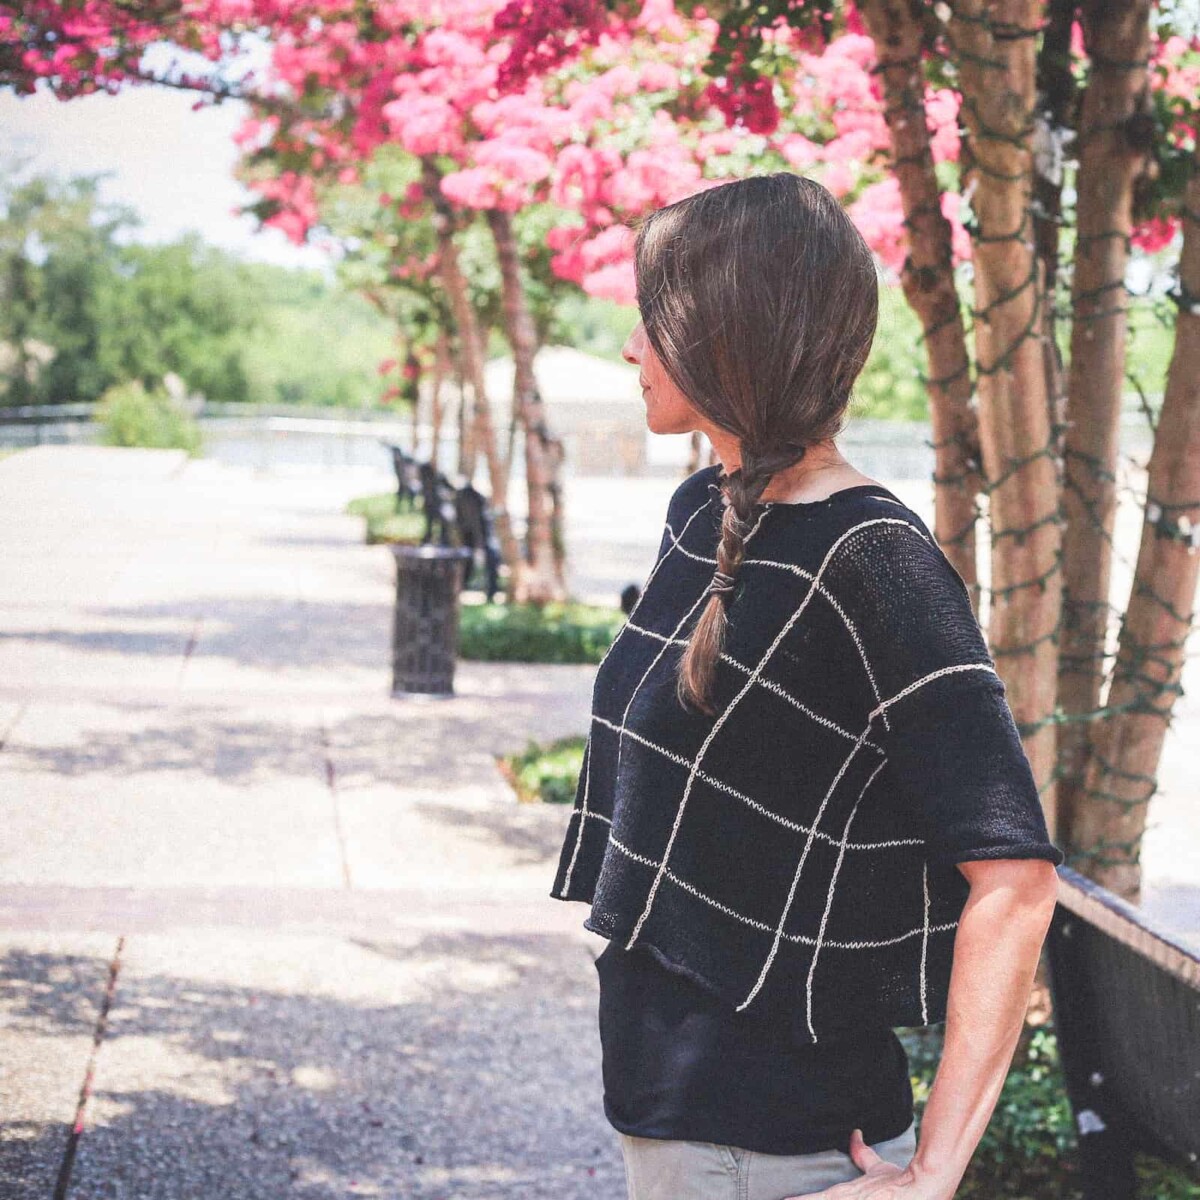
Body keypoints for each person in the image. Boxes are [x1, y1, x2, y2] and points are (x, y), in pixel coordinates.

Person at [548, 172, 1065, 1200]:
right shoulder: (708, 510)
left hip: (774, 1149)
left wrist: (934, 1178)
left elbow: (1015, 879)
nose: (629, 347)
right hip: (675, 1115)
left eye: (652, 318)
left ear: (721, 331)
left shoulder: (874, 557)